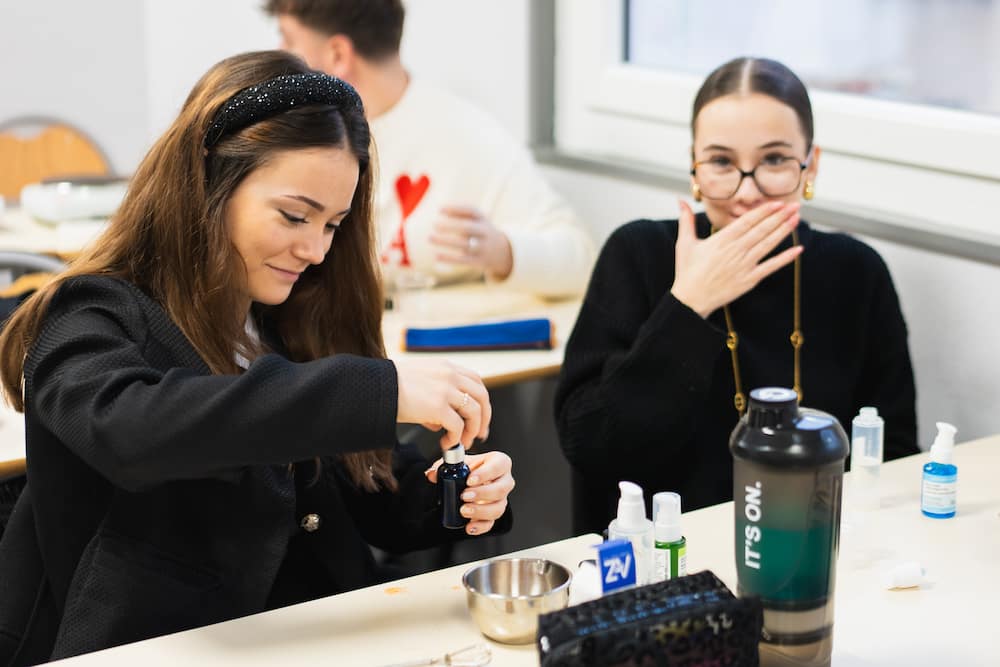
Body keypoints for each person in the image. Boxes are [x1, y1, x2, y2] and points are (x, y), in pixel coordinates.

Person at [0, 51, 515, 664]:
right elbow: (133, 431)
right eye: (294, 216)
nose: (315, 250)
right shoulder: (90, 314)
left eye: (333, 225)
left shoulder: (286, 315)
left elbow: (366, 491)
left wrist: (453, 494)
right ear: (207, 183)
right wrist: (375, 391)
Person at [555, 57, 918, 535]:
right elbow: (589, 445)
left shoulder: (856, 271)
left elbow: (894, 455)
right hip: (667, 552)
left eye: (774, 160)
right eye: (722, 162)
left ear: (811, 165)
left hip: (817, 544)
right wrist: (688, 304)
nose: (747, 191)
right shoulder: (638, 253)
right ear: (695, 167)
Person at [264, 0, 595, 298]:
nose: (279, 51)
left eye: (289, 40)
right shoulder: (283, 135)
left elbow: (580, 258)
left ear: (338, 54)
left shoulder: (467, 136)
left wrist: (503, 252)